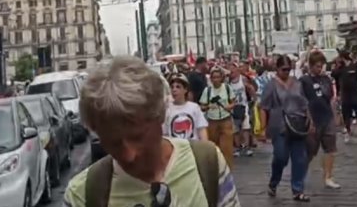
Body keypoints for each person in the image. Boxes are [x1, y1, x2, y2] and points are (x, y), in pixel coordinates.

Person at [63, 56, 240, 206]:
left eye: (137, 137)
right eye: (113, 143)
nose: (128, 154)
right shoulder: (82, 195)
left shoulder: (208, 163)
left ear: (161, 115)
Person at [259, 55, 311, 202]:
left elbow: (304, 103)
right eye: (284, 69)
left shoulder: (297, 83)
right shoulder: (271, 85)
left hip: (298, 124)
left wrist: (309, 120)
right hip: (279, 125)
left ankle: (298, 190)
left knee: (300, 158)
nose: (286, 72)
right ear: (277, 69)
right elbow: (264, 107)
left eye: (289, 69)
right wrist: (263, 128)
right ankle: (274, 182)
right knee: (281, 157)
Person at [301, 50, 340, 189]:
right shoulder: (304, 80)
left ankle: (328, 177)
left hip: (327, 116)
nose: (320, 68)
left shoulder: (326, 79)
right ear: (311, 66)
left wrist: (335, 116)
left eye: (322, 66)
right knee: (310, 151)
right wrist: (308, 119)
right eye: (317, 66)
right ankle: (300, 175)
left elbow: (331, 99)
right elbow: (302, 101)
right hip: (313, 119)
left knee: (330, 149)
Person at [200, 67, 236, 169]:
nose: (216, 79)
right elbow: (202, 106)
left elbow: (233, 102)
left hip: (225, 119)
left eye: (218, 77)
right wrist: (208, 106)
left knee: (227, 147)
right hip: (212, 121)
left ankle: (227, 168)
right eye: (214, 77)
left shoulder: (227, 88)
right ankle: (215, 168)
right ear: (211, 79)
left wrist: (230, 106)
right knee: (213, 147)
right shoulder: (208, 90)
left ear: (221, 78)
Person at [335, 51, 357, 147]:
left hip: (356, 96)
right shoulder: (339, 69)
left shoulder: (355, 67)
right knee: (346, 118)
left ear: (342, 57)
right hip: (345, 97)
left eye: (339, 57)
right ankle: (348, 132)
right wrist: (338, 95)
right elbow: (336, 81)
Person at [164, 74, 208, 141]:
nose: (174, 90)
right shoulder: (167, 109)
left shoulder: (194, 108)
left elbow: (201, 129)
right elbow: (165, 134)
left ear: (185, 89)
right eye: (172, 87)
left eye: (178, 87)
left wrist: (205, 147)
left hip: (192, 148)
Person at [227, 64, 254, 157]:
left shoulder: (242, 79)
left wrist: (253, 99)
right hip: (233, 107)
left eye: (233, 70)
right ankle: (237, 147)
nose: (231, 72)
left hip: (244, 105)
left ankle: (246, 147)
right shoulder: (228, 82)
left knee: (246, 127)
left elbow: (251, 88)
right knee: (235, 129)